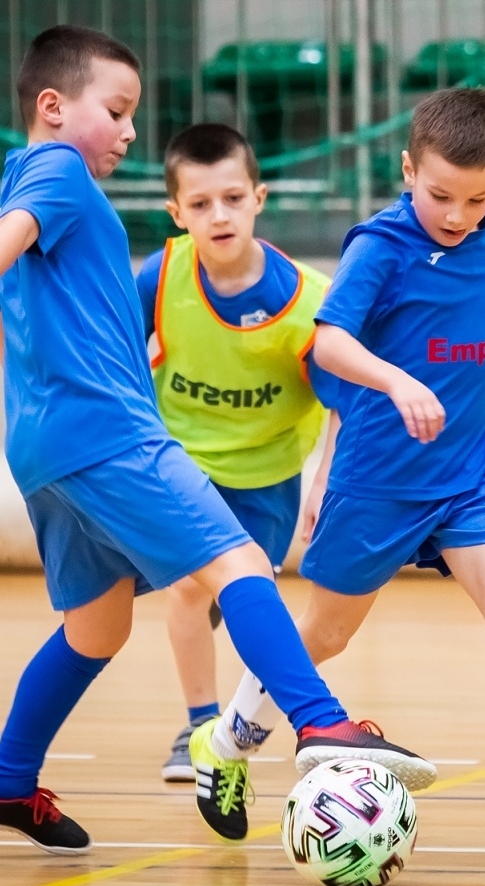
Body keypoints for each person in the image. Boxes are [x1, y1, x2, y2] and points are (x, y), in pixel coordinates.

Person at [0, 25, 434, 853]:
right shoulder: (57, 171)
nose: (128, 131)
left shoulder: (35, 182)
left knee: (97, 629)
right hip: (109, 434)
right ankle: (323, 725)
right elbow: (7, 240)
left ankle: (7, 781)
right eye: (117, 110)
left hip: (44, 444)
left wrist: (20, 373)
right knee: (238, 566)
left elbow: (23, 300)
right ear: (52, 107)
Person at [191, 87, 485, 850]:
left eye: (478, 197)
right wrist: (397, 379)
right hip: (380, 480)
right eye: (440, 194)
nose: (457, 214)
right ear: (407, 168)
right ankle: (224, 748)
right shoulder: (377, 248)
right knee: (320, 636)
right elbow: (327, 343)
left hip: (469, 477)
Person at [135, 122, 343, 785]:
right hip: (184, 467)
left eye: (231, 198)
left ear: (259, 196)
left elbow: (347, 402)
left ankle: (233, 728)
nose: (218, 215)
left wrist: (324, 484)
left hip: (270, 477)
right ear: (176, 213)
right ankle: (198, 728)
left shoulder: (308, 300)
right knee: (189, 587)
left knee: (249, 598)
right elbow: (113, 363)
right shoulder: (159, 277)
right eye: (199, 204)